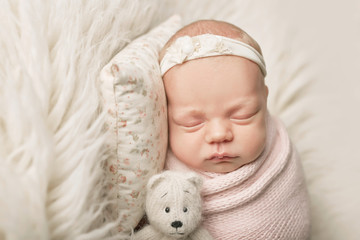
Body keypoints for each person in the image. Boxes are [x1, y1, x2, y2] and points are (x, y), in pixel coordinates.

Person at [160, 20, 311, 240]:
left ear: (264, 100)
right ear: (165, 115)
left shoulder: (280, 153)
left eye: (243, 115)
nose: (219, 134)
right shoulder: (162, 175)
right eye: (193, 122)